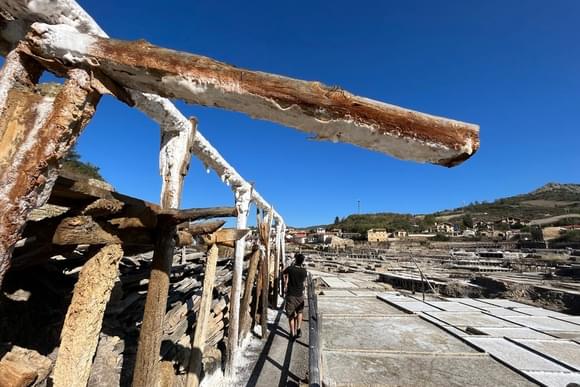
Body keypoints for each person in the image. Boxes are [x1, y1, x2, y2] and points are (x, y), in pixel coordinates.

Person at [283, 253, 307, 340]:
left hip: (291, 295)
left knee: (291, 315)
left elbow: (283, 272)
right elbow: (304, 281)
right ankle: (299, 328)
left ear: (295, 260)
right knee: (299, 312)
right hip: (300, 295)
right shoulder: (304, 271)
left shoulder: (290, 269)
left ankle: (292, 333)